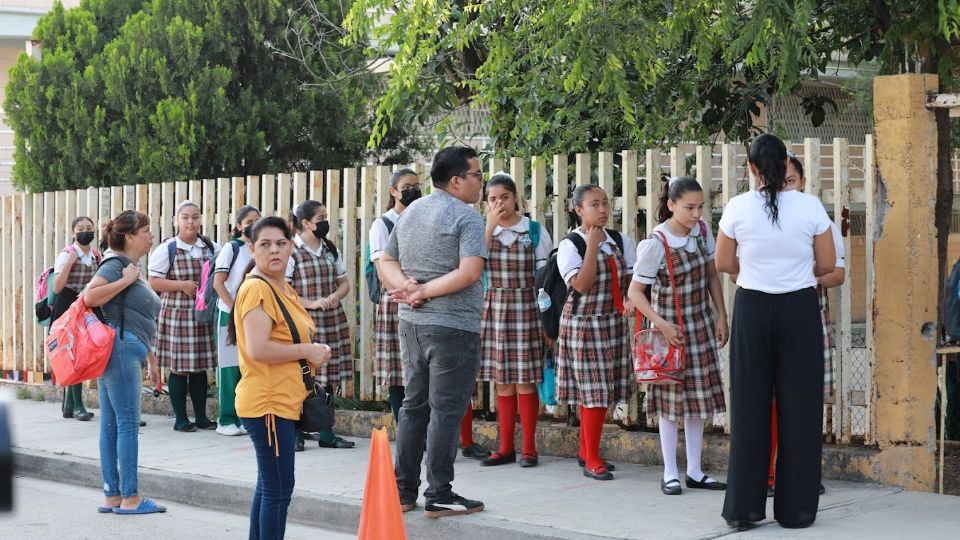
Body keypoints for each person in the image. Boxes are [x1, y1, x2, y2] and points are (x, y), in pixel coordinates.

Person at [716, 133, 835, 530]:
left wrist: (756, 268)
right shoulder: (810, 206)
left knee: (750, 406)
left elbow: (723, 261)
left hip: (752, 307)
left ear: (752, 168)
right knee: (800, 407)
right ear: (787, 165)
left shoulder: (737, 206)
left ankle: (743, 510)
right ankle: (797, 511)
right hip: (799, 308)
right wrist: (795, 267)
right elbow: (827, 263)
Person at [379, 145, 488, 518]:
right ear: (456, 181)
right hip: (454, 327)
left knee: (414, 406)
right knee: (445, 411)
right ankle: (439, 492)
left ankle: (403, 491)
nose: (480, 181)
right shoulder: (468, 218)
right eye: (476, 175)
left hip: (412, 324)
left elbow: (386, 260)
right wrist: (419, 289)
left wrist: (405, 288)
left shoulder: (412, 211)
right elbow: (470, 272)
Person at [229, 216, 332, 540]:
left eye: (281, 243)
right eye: (265, 244)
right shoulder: (257, 288)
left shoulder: (281, 287)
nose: (274, 250)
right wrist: (309, 350)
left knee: (270, 485)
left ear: (290, 245)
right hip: (268, 402)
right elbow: (259, 349)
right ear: (250, 248)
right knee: (278, 489)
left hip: (281, 400)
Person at [627, 176, 728, 495]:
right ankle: (670, 471)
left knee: (697, 402)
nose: (697, 214)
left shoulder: (701, 232)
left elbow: (712, 274)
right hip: (667, 333)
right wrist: (662, 324)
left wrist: (722, 315)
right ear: (671, 205)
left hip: (698, 326)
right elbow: (635, 293)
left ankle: (695, 470)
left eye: (700, 207)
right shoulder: (656, 243)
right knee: (670, 403)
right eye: (689, 208)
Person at [766, 154, 845, 497]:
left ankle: (801, 475)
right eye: (779, 182)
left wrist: (799, 271)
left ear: (803, 183)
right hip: (766, 317)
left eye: (791, 181)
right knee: (766, 401)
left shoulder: (818, 220)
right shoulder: (757, 217)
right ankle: (768, 473)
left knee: (802, 402)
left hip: (808, 316)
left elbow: (837, 272)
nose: (786, 188)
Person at [84, 210, 164, 514]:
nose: (150, 236)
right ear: (129, 236)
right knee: (127, 424)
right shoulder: (116, 264)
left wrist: (151, 358)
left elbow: (138, 316)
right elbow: (91, 297)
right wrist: (125, 280)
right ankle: (130, 498)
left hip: (125, 348)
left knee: (111, 425)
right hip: (119, 349)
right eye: (145, 230)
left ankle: (113, 496)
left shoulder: (130, 265)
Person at [555, 185, 636, 481]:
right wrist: (591, 244)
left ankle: (586, 451)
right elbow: (582, 285)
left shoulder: (619, 240)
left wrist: (629, 300)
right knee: (593, 392)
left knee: (603, 390)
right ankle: (592, 458)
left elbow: (631, 281)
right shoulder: (571, 245)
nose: (602, 210)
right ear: (579, 210)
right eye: (594, 205)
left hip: (612, 323)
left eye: (605, 203)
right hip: (583, 324)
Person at [478, 172, 553, 468]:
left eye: (504, 198)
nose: (499, 204)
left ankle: (529, 448)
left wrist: (548, 321)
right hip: (493, 308)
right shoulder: (483, 231)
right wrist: (489, 226)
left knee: (525, 380)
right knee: (502, 381)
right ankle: (505, 446)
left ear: (516, 198)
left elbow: (545, 278)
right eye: (492, 199)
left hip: (526, 307)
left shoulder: (533, 231)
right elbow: (474, 260)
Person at [148, 200, 220, 432]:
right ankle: (180, 419)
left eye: (195, 217)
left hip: (202, 315)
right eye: (185, 217)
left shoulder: (210, 247)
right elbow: (153, 281)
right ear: (176, 220)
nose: (190, 221)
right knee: (179, 368)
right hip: (177, 315)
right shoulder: (167, 249)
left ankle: (201, 417)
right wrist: (181, 285)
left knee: (200, 368)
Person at [289, 200, 355, 450]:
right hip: (304, 321)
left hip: (331, 318)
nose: (325, 222)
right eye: (321, 217)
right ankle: (295, 432)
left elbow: (344, 282)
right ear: (305, 223)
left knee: (327, 378)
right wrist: (313, 303)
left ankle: (327, 433)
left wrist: (333, 298)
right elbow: (285, 291)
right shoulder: (292, 251)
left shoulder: (329, 248)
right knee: (301, 377)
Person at [370, 168, 421, 422]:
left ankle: (422, 428)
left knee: (420, 365)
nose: (413, 190)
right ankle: (404, 427)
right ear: (393, 191)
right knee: (397, 366)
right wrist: (405, 291)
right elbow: (382, 269)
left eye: (417, 185)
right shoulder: (383, 224)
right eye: (407, 186)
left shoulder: (422, 217)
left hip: (423, 296)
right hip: (396, 298)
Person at [212, 205, 261, 436]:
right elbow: (218, 283)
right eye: (249, 221)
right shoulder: (231, 248)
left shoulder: (257, 249)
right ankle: (226, 419)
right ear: (239, 225)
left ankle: (243, 416)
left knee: (247, 367)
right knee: (229, 368)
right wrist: (234, 310)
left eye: (257, 221)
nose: (253, 225)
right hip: (228, 315)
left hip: (251, 316)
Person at [51, 216, 102, 422]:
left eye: (89, 228)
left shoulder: (96, 255)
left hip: (87, 304)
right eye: (80, 228)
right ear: (73, 233)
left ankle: (70, 404)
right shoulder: (67, 254)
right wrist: (70, 264)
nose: (85, 231)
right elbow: (56, 287)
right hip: (67, 304)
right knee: (72, 352)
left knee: (84, 351)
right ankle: (77, 404)